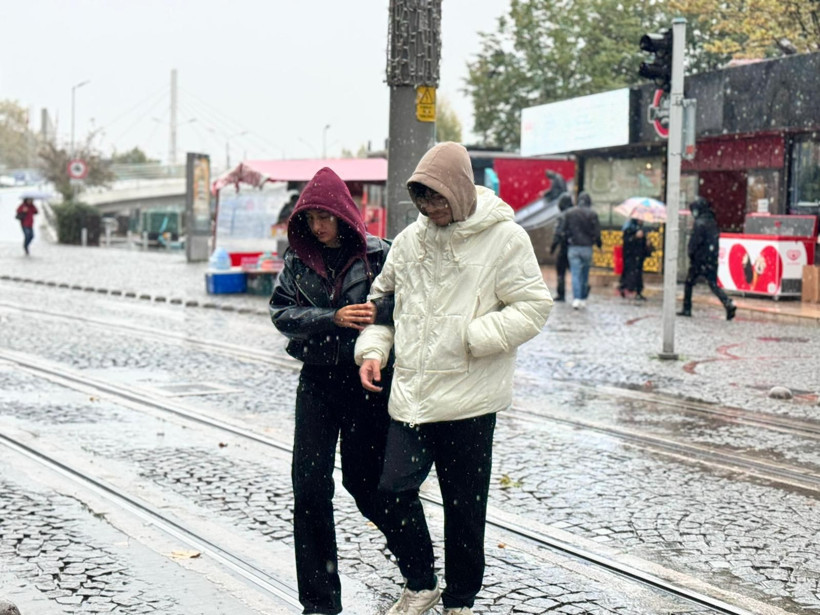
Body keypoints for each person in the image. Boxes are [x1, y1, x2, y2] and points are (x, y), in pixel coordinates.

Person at [355, 142, 553, 615]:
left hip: (471, 399)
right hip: (413, 396)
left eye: (438, 200)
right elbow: (381, 304)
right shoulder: (409, 241)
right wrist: (373, 350)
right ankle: (421, 581)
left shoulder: (505, 239)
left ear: (460, 192)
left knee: (465, 509)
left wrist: (475, 336)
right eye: (423, 200)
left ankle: (460, 600)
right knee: (392, 490)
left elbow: (534, 306)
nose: (430, 210)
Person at [270, 167, 428, 615]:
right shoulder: (297, 261)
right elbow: (281, 312)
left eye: (325, 217)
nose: (318, 227)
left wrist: (375, 310)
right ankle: (319, 602)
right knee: (309, 486)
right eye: (311, 218)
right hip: (317, 381)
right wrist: (330, 317)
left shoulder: (380, 254)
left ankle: (420, 570)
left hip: (366, 382)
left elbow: (405, 301)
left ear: (344, 214)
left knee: (367, 484)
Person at [678, 197, 737, 320]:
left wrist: (692, 254)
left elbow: (694, 243)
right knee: (713, 284)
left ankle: (687, 308)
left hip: (699, 260)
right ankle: (727, 303)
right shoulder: (712, 221)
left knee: (689, 283)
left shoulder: (700, 223)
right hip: (711, 259)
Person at [562, 191, 601, 309]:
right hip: (587, 247)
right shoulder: (593, 214)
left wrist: (567, 240)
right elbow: (597, 232)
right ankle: (583, 298)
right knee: (585, 273)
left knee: (575, 273)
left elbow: (564, 230)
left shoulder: (570, 213)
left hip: (574, 246)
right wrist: (599, 244)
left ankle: (577, 298)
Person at [618, 218, 653, 300]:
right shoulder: (629, 228)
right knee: (630, 272)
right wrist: (635, 237)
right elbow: (627, 241)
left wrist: (647, 243)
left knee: (638, 273)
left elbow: (643, 242)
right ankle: (624, 287)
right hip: (630, 255)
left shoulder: (641, 228)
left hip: (639, 255)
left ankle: (638, 291)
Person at [549, 192, 573, 302]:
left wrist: (553, 247)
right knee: (576, 271)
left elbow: (558, 233)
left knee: (561, 272)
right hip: (574, 246)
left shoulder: (562, 216)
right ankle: (582, 289)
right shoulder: (575, 213)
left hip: (564, 247)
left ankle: (561, 293)